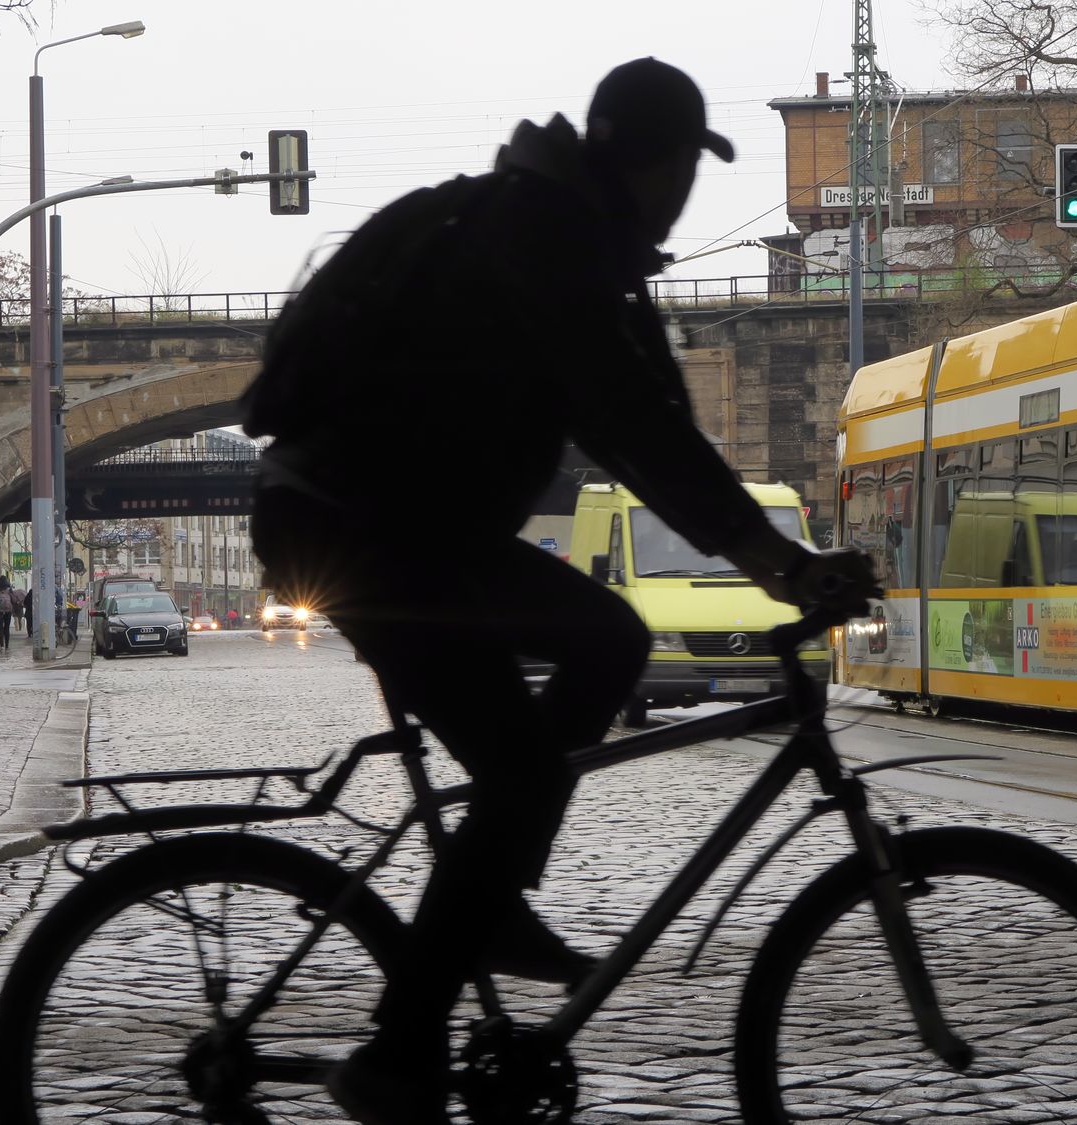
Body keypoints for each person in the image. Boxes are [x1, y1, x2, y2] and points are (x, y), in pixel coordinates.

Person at [242, 58, 873, 1125]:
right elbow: (640, 433)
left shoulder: (559, 233)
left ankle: (490, 898)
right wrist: (783, 567)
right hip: (363, 532)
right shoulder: (548, 243)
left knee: (556, 714)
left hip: (389, 528)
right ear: (656, 162)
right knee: (590, 669)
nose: (684, 191)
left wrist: (768, 558)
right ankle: (400, 1054)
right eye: (683, 166)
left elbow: (650, 420)